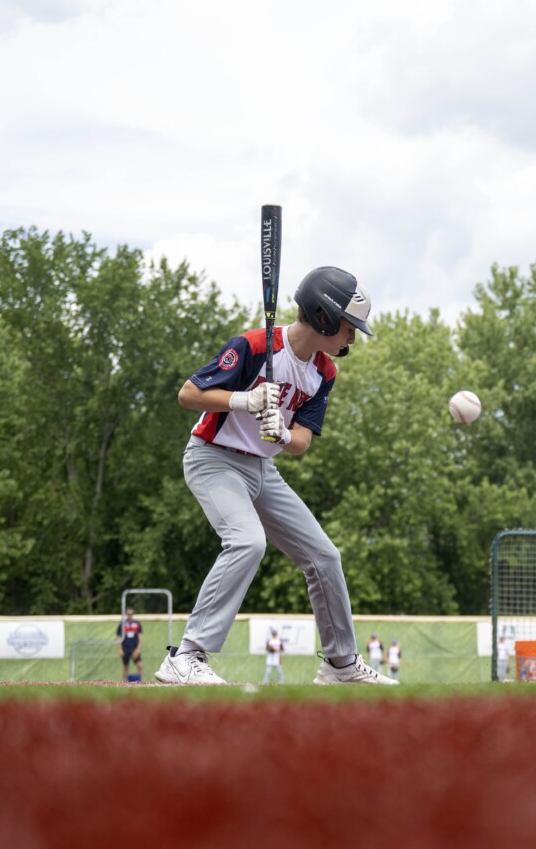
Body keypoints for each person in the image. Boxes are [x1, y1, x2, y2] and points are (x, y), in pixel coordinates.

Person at [155, 266, 395, 686]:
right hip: (214, 458)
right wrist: (244, 399)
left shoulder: (324, 372)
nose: (352, 338)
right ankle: (185, 657)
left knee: (325, 557)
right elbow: (189, 395)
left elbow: (302, 442)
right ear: (324, 317)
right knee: (247, 541)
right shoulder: (254, 345)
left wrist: (282, 433)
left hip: (263, 469)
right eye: (349, 327)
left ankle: (339, 665)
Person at [117, 608, 144, 682]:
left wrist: (138, 649)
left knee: (139, 665)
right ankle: (124, 682)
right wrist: (120, 649)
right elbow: (119, 637)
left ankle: (142, 680)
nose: (130, 616)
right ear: (126, 615)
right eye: (128, 614)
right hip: (125, 647)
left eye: (131, 614)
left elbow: (140, 637)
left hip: (134, 647)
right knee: (126, 666)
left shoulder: (137, 624)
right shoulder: (122, 624)